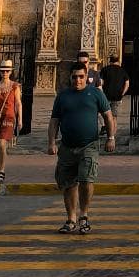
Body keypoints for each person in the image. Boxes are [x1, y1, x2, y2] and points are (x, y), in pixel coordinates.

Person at [48, 62, 115, 233]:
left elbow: (108, 116)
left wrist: (111, 137)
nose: (77, 80)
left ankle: (84, 215)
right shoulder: (62, 96)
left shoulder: (95, 93)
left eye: (81, 76)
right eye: (74, 77)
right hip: (67, 146)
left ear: (87, 77)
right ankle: (71, 218)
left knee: (86, 180)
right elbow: (54, 121)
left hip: (89, 145)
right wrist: (51, 142)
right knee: (68, 183)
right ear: (69, 77)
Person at [0, 59, 22, 184]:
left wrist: (20, 120)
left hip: (8, 117)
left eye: (7, 71)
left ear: (10, 72)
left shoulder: (14, 86)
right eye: (3, 71)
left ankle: (2, 170)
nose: (5, 73)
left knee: (2, 143)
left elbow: (18, 103)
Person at [99, 53, 129, 122]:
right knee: (114, 116)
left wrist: (101, 93)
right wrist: (122, 93)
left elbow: (101, 82)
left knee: (105, 114)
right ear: (118, 60)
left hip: (106, 95)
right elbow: (127, 84)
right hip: (117, 96)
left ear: (110, 60)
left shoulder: (105, 69)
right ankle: (113, 131)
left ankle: (107, 128)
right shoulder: (122, 70)